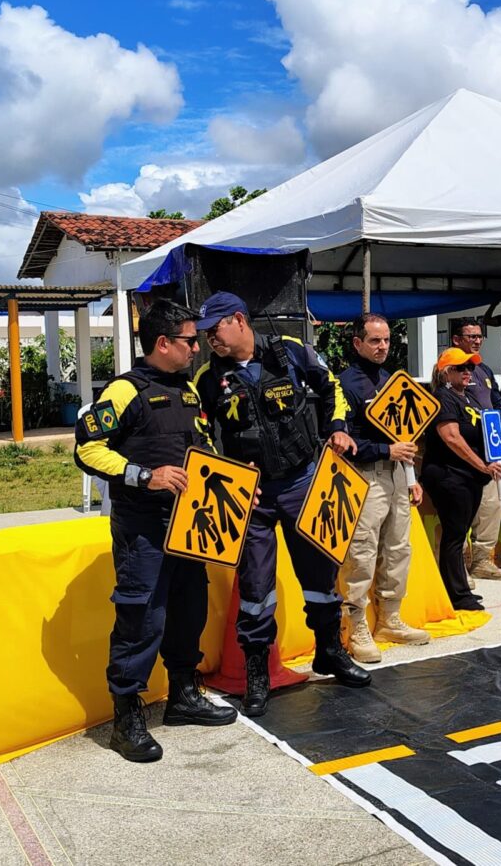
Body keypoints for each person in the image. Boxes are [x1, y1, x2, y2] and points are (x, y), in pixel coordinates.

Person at [192, 292, 370, 717]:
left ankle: (329, 652)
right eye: (205, 334)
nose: (209, 340)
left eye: (215, 330)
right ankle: (257, 675)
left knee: (321, 576)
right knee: (255, 588)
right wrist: (227, 477)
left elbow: (334, 392)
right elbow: (200, 435)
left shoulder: (289, 353)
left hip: (303, 481)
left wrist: (339, 429)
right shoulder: (205, 378)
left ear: (239, 320)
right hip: (250, 496)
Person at [74, 299, 236, 763]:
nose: (196, 349)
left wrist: (235, 484)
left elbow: (203, 448)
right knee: (141, 618)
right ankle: (128, 719)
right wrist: (144, 475)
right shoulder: (125, 390)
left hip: (190, 527)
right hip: (143, 529)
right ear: (162, 343)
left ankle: (184, 695)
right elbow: (87, 449)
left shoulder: (188, 390)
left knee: (189, 610)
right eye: (189, 341)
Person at [338, 313, 430, 663]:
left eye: (387, 340)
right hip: (365, 475)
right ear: (358, 342)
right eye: (375, 340)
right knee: (361, 554)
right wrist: (385, 451)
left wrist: (410, 477)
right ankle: (355, 625)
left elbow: (403, 434)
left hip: (396, 475)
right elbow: (341, 441)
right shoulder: (345, 383)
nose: (383, 346)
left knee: (397, 550)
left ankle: (389, 619)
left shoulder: (393, 379)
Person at [422, 348, 501, 609]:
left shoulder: (468, 397)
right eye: (461, 367)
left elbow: (486, 431)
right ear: (447, 372)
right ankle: (457, 595)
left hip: (469, 477)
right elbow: (451, 437)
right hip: (449, 475)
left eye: (470, 367)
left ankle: (458, 590)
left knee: (460, 534)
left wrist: (495, 457)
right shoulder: (443, 397)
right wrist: (482, 465)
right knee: (454, 536)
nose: (468, 371)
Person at [449, 316, 501, 582]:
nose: (476, 340)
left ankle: (483, 561)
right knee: (464, 511)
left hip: (490, 449)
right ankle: (462, 564)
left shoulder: (484, 370)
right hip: (463, 452)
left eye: (479, 336)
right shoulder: (448, 368)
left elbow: (497, 405)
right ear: (456, 340)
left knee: (491, 506)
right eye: (470, 336)